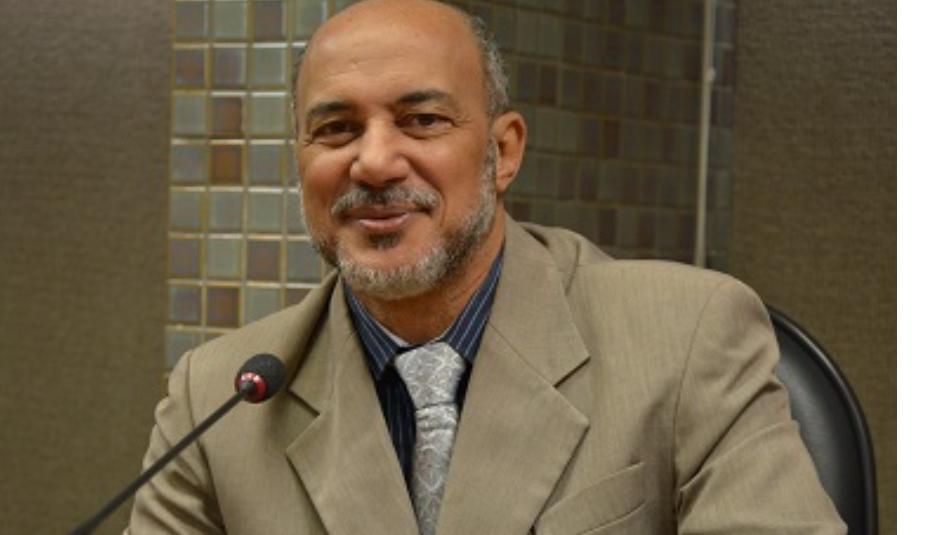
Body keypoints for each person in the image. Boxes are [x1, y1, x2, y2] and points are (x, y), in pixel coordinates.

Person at [127, 0, 846, 533]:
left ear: (503, 153)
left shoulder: (687, 338)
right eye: (336, 129)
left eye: (422, 120)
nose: (373, 161)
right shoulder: (217, 398)